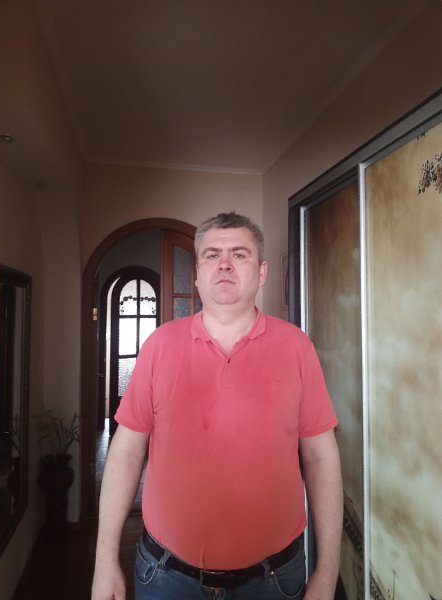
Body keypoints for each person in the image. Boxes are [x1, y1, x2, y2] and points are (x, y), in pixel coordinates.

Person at [91, 212, 343, 600]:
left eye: (239, 254)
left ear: (262, 273)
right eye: (212, 255)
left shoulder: (296, 348)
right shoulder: (159, 346)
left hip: (274, 580)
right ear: (197, 274)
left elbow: (321, 457)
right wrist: (105, 560)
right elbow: (126, 452)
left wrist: (327, 571)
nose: (224, 264)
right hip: (166, 576)